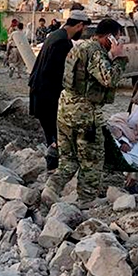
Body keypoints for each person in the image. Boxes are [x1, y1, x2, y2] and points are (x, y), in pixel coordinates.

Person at [42, 18, 128, 205]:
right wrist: (119, 57)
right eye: (118, 38)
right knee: (92, 160)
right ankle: (86, 200)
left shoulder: (79, 47)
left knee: (68, 160)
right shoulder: (96, 52)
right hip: (85, 115)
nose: (119, 42)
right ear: (110, 37)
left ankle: (51, 188)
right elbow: (109, 80)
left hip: (65, 109)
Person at [29, 10, 91, 170]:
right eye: (83, 29)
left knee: (52, 135)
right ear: (79, 25)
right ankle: (54, 171)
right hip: (48, 96)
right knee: (56, 136)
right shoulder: (63, 43)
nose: (82, 33)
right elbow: (58, 74)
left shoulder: (55, 35)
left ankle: (53, 169)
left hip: (40, 92)